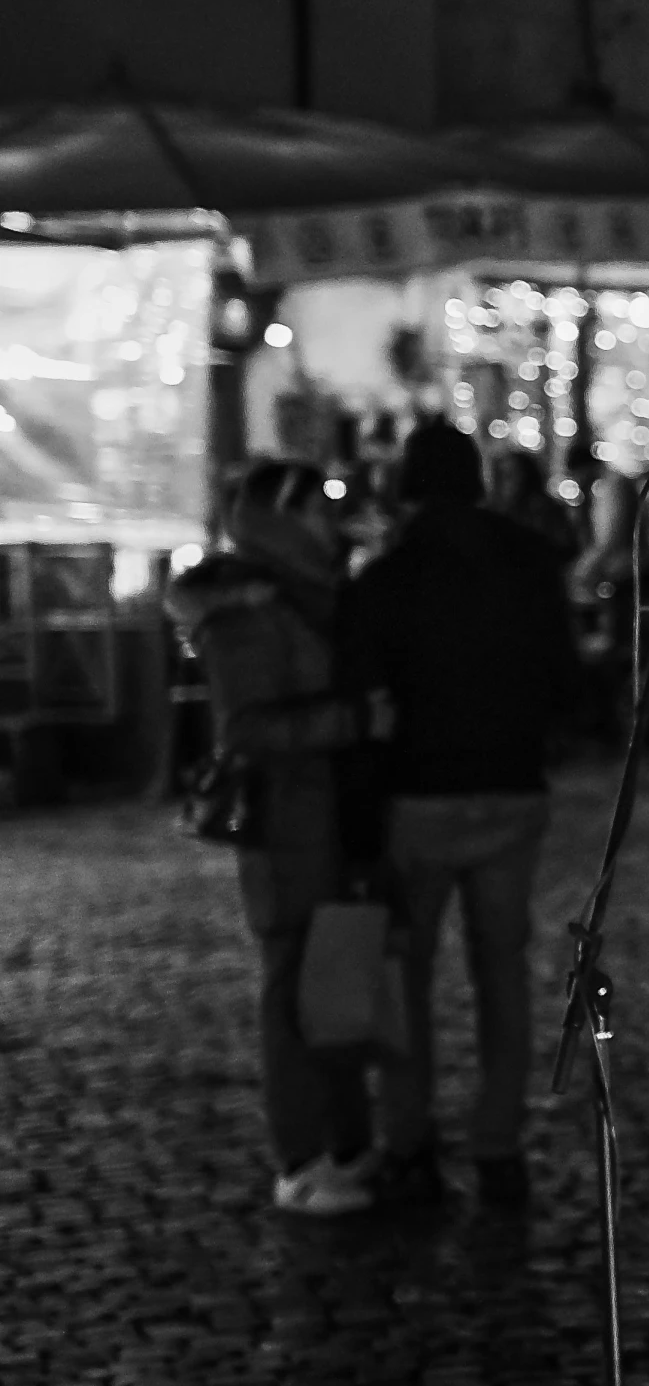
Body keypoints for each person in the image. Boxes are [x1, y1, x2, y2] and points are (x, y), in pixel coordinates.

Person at [340, 419, 581, 1208]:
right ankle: (498, 1139)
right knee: (501, 969)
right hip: (512, 787)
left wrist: (359, 816)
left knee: (406, 976)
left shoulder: (387, 578)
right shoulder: (529, 562)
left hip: (420, 795)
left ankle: (409, 1137)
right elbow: (564, 673)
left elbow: (367, 704)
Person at [168, 461, 391, 1216]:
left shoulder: (304, 590)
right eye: (319, 506)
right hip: (288, 822)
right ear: (284, 513)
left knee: (335, 974)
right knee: (292, 982)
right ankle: (300, 1159)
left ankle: (346, 1143)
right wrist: (355, 721)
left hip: (329, 814)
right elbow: (247, 731)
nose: (333, 519)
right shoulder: (250, 603)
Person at [487, 448, 583, 562]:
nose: (505, 483)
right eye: (500, 476)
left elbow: (563, 547)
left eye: (510, 475)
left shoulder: (544, 510)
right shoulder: (495, 512)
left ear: (526, 476)